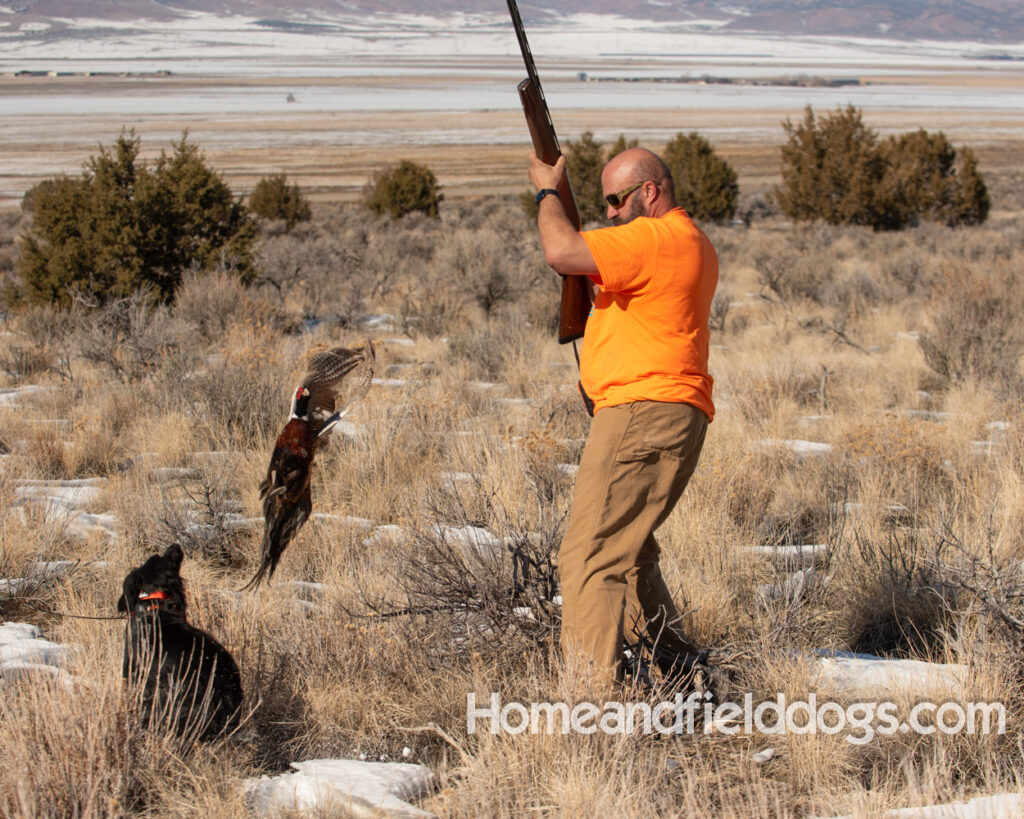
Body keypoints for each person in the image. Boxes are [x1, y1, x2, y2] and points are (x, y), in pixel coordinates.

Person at [528, 147, 718, 694]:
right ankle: (684, 678)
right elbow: (602, 283)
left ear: (650, 192)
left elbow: (562, 251)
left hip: (642, 411)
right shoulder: (689, 242)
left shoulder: (653, 238)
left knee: (589, 554)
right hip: (675, 413)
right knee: (629, 551)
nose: (610, 212)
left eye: (616, 200)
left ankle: (590, 710)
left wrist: (547, 190)